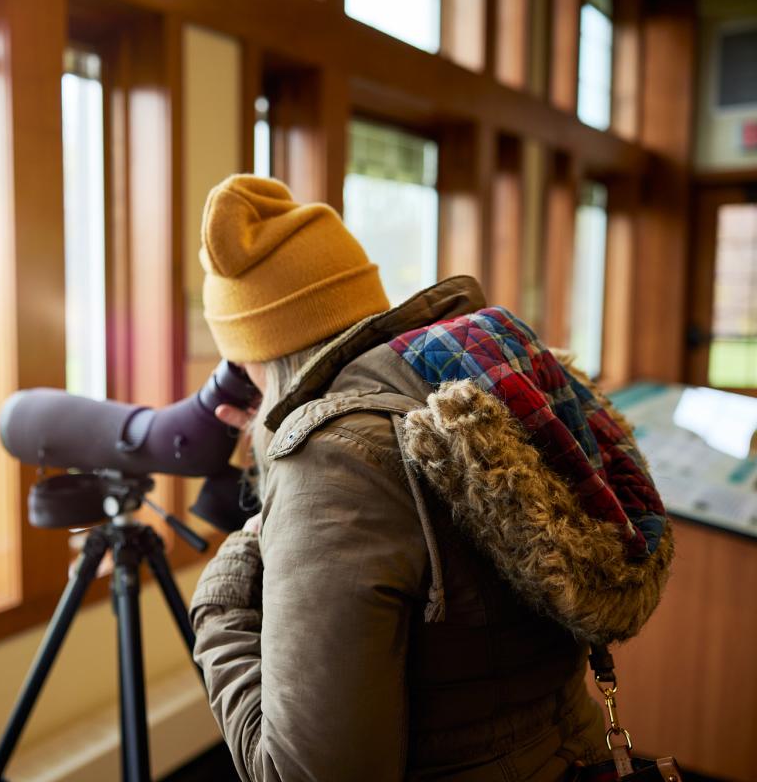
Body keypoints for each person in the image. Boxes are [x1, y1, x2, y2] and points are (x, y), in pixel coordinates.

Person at [188, 175, 674, 781]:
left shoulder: (332, 461)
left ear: (254, 354)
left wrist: (221, 599)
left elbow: (310, 774)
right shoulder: (480, 390)